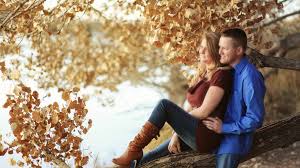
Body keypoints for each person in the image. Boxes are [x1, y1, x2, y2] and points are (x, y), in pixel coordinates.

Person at [112, 32, 233, 168]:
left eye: (207, 48)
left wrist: (178, 123)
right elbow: (191, 109)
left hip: (205, 136)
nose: (201, 51)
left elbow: (204, 111)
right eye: (201, 47)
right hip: (193, 131)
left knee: (164, 106)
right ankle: (133, 156)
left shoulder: (222, 75)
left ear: (216, 52)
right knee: (146, 161)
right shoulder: (205, 73)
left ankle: (133, 149)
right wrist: (177, 133)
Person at [203, 28, 266, 168]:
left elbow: (255, 118)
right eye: (219, 47)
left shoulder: (250, 76)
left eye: (224, 48)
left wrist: (224, 128)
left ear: (238, 51)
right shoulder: (230, 72)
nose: (219, 52)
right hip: (219, 140)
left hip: (232, 145)